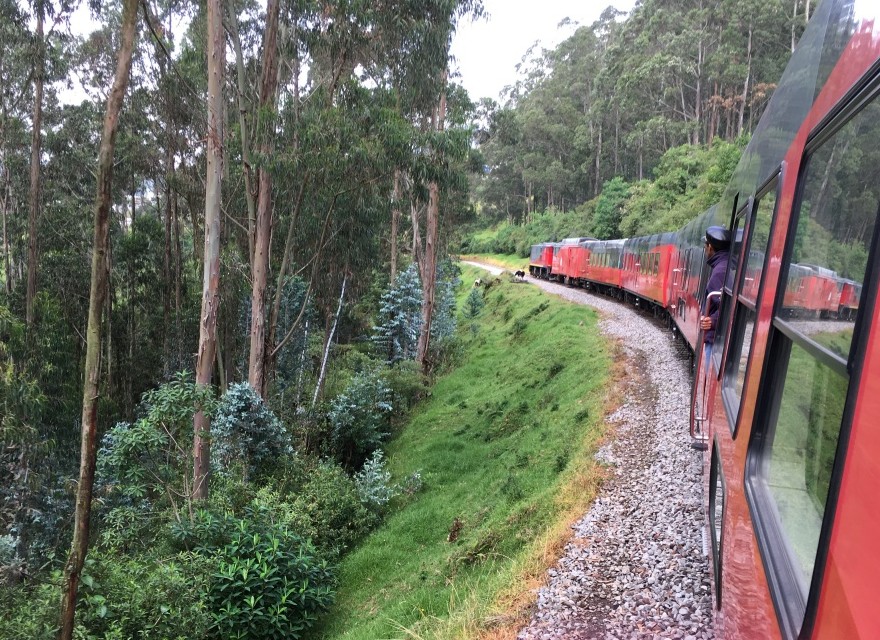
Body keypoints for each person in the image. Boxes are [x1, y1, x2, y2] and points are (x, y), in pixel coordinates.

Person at [699, 225, 731, 362]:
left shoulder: (720, 271)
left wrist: (712, 320)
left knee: (709, 371)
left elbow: (728, 306)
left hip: (715, 340)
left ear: (710, 247)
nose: (705, 250)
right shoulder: (726, 264)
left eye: (705, 246)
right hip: (719, 338)